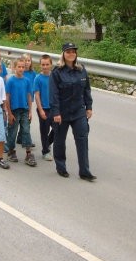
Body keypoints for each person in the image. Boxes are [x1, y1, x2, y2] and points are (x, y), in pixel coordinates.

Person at [49, 42, 95, 181]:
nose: (71, 54)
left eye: (73, 51)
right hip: (62, 112)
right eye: (68, 51)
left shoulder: (81, 70)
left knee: (82, 139)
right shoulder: (57, 71)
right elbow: (54, 94)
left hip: (78, 111)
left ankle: (84, 171)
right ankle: (61, 167)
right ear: (63, 54)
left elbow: (86, 89)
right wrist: (56, 112)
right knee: (60, 140)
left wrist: (89, 106)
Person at [5, 58, 35, 166]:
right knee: (12, 131)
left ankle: (28, 153)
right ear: (14, 68)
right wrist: (9, 113)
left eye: (23, 67)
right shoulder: (10, 81)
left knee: (26, 131)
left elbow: (29, 96)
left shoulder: (26, 81)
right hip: (14, 110)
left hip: (24, 110)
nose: (21, 69)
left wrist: (30, 111)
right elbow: (7, 97)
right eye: (19, 67)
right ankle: (11, 151)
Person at [34, 54, 55, 161]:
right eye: (43, 64)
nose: (45, 66)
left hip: (54, 108)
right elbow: (37, 95)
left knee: (57, 128)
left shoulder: (54, 77)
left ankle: (47, 144)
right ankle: (45, 151)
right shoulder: (38, 78)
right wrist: (41, 109)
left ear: (51, 65)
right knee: (44, 130)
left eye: (47, 64)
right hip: (43, 108)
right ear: (40, 65)